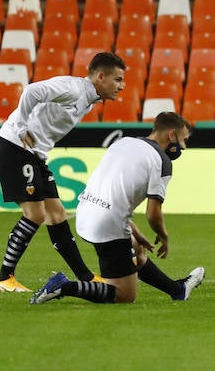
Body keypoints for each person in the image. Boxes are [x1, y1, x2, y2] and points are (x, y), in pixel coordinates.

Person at [30, 112, 205, 305]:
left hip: (86, 211)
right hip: (107, 225)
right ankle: (64, 285)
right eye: (183, 140)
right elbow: (153, 214)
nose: (183, 147)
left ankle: (177, 290)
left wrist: (133, 230)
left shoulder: (124, 142)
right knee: (124, 295)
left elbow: (112, 191)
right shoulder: (161, 161)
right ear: (171, 135)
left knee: (137, 248)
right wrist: (163, 236)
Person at [0, 52, 127, 293]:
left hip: (35, 155)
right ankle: (4, 278)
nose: (122, 86)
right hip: (15, 146)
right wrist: (21, 125)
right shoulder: (73, 88)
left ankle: (85, 276)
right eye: (117, 80)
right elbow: (32, 90)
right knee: (35, 214)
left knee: (57, 214)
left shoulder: (87, 98)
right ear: (100, 76)